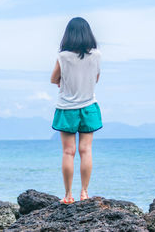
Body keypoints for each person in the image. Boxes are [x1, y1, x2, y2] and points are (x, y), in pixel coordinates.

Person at [50, 17, 103, 205]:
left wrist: (62, 82)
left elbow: (53, 79)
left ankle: (68, 195)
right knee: (86, 150)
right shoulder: (96, 55)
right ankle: (84, 193)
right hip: (89, 107)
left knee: (68, 152)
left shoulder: (63, 57)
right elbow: (95, 78)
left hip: (67, 108)